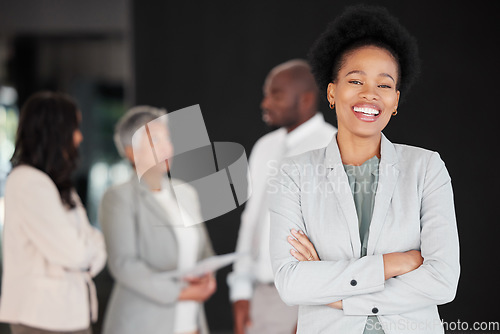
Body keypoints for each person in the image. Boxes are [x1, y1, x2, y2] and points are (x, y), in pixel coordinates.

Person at [269, 5, 460, 334]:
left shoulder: (427, 168)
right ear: (331, 92)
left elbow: (442, 282)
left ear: (396, 100)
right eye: (355, 80)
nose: (370, 94)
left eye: (384, 86)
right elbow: (290, 283)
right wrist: (392, 264)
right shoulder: (293, 174)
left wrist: (336, 294)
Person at [227, 59, 337, 334]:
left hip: (307, 300)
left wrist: (315, 308)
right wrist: (240, 292)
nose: (265, 104)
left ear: (306, 99)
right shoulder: (264, 146)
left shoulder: (333, 147)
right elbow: (250, 220)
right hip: (260, 295)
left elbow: (337, 235)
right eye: (266, 94)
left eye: (276, 95)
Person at [99, 106, 216, 334]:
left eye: (168, 139)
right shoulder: (119, 198)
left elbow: (205, 252)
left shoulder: (187, 193)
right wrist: (180, 293)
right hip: (142, 325)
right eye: (155, 141)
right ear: (131, 151)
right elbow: (124, 264)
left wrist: (208, 277)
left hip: (191, 323)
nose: (166, 148)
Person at [0, 91, 107, 334]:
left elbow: (96, 243)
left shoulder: (58, 184)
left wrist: (87, 251)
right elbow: (75, 253)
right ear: (55, 132)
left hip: (68, 314)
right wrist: (87, 252)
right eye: (75, 127)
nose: (79, 137)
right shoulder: (28, 182)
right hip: (43, 318)